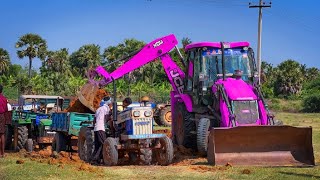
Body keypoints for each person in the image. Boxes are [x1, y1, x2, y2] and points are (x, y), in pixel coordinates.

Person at [91, 96, 112, 164]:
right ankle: (96, 159)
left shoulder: (98, 109)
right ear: (109, 103)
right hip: (101, 128)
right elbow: (107, 118)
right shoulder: (106, 108)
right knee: (104, 144)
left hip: (96, 129)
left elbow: (94, 120)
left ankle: (94, 160)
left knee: (97, 145)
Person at [0, 85, 8, 158]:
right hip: (1, 116)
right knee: (2, 134)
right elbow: (6, 109)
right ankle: (2, 153)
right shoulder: (4, 99)